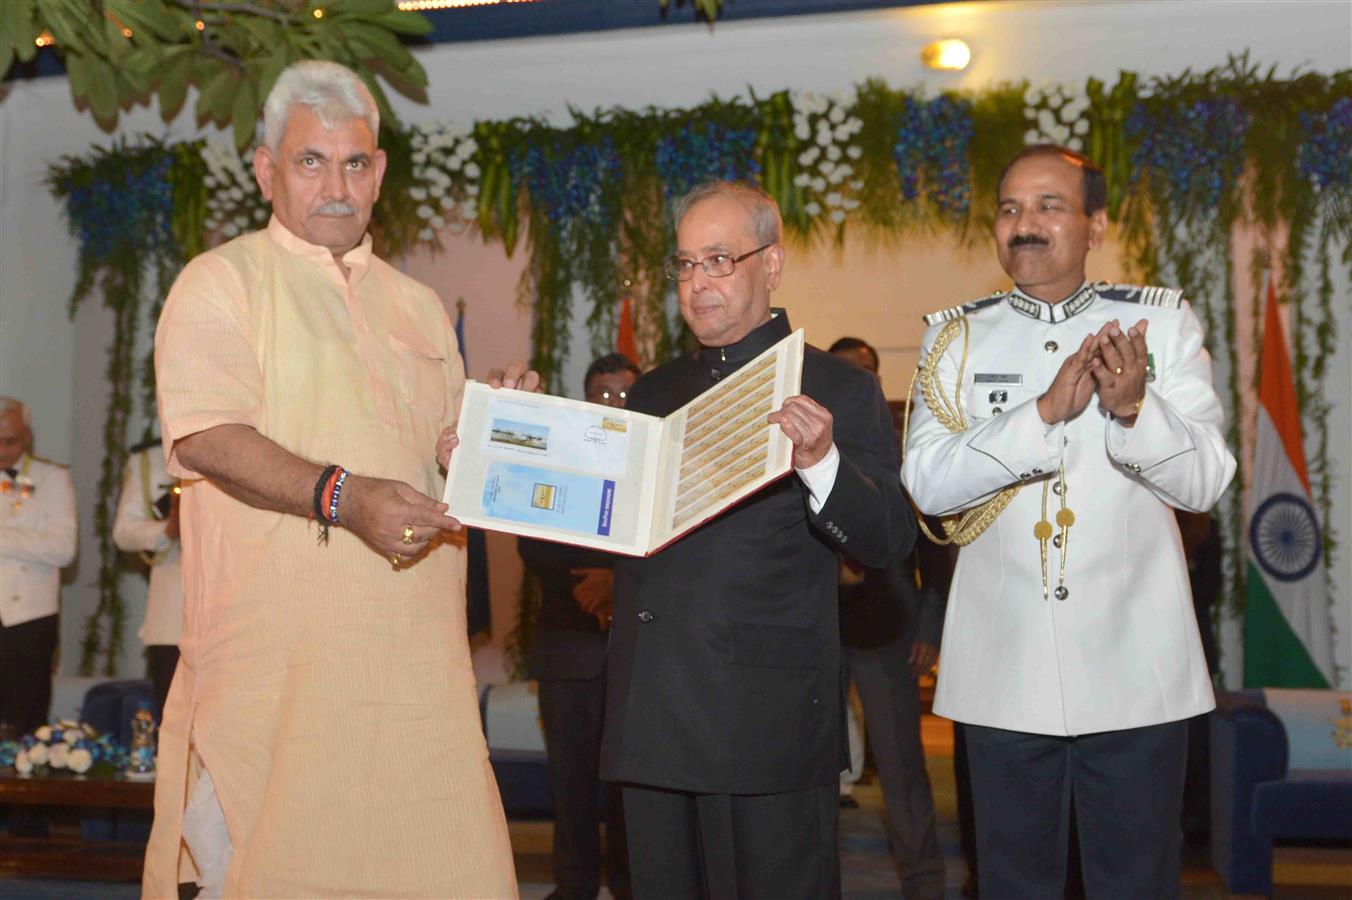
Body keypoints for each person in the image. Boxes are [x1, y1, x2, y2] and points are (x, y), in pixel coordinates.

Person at [142, 60, 519, 898]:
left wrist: (508, 434)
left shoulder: (419, 306)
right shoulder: (221, 283)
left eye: (355, 163)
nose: (337, 185)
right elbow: (206, 436)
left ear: (379, 172)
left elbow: (450, 461)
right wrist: (344, 498)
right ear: (266, 169)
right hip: (282, 683)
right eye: (311, 162)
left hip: (420, 679)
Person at [902, 144, 1237, 899]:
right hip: (1002, 672)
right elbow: (927, 482)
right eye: (1011, 208)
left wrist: (1133, 410)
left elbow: (1206, 480)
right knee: (1013, 884)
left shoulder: (1159, 322)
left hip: (1137, 668)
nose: (1025, 224)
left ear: (1096, 225)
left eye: (1050, 206)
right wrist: (1043, 414)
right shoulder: (955, 339)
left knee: (1135, 883)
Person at [599, 180, 914, 898]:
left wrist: (822, 464)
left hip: (763, 720)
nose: (697, 283)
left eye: (718, 260)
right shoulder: (651, 393)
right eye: (684, 265)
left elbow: (887, 539)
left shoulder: (836, 387)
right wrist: (506, 447)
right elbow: (601, 523)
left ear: (771, 264)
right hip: (649, 709)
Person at [518, 352, 639, 900]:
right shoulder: (559, 458)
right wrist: (589, 589)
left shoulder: (657, 464)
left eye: (624, 394)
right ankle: (574, 886)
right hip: (569, 646)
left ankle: (633, 884)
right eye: (603, 394)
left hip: (638, 651)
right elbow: (529, 534)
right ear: (586, 401)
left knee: (632, 784)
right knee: (570, 782)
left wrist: (620, 583)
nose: (613, 404)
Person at [829, 337, 946, 900]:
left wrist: (929, 627)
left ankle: (924, 882)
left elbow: (936, 550)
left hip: (887, 632)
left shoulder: (900, 450)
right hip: (816, 638)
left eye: (869, 373)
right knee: (813, 771)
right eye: (848, 372)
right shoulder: (804, 446)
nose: (861, 381)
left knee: (902, 768)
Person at [0, 397, 77, 738]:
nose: (1, 449)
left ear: (27, 436)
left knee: (27, 725)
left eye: (10, 441)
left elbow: (63, 549)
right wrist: (28, 540)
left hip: (29, 619)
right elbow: (42, 544)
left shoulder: (53, 479)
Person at [112, 438, 182, 716]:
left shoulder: (234, 450)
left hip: (226, 605)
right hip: (171, 613)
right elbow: (124, 532)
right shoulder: (149, 459)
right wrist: (168, 530)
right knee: (170, 717)